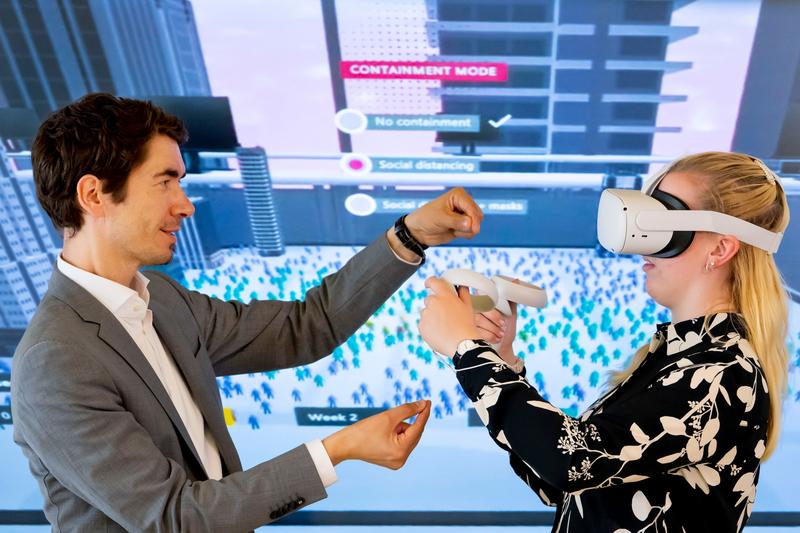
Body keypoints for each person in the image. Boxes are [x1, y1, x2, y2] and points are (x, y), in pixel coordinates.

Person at [11, 93, 483, 532]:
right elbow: (174, 518)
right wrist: (335, 450)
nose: (185, 205)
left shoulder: (163, 297)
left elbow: (306, 327)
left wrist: (410, 234)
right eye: (165, 181)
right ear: (93, 195)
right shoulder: (55, 360)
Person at [419, 152, 790, 532]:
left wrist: (467, 350)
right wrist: (502, 356)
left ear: (720, 249)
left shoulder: (719, 374)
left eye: (665, 223)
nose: (645, 244)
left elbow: (571, 463)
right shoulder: (675, 358)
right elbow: (564, 484)